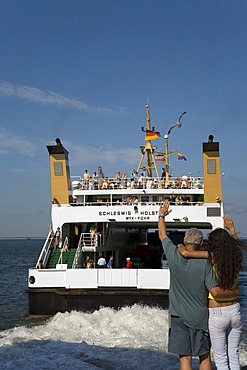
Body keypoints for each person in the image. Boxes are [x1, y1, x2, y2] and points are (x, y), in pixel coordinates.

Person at [158, 200, 239, 370]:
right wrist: (234, 292)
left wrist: (161, 216)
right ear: (201, 243)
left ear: (185, 240)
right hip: (201, 317)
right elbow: (215, 289)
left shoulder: (174, 255)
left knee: (185, 358)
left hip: (178, 316)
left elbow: (162, 235)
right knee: (204, 356)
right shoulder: (207, 263)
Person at [178, 215, 243, 369]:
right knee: (234, 354)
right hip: (235, 310)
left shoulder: (212, 256)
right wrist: (232, 229)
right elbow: (236, 246)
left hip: (217, 312)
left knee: (220, 357)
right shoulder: (236, 257)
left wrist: (180, 245)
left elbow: (186, 253)